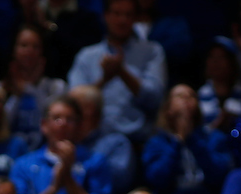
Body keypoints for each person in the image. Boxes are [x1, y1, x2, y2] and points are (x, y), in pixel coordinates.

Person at [142, 84, 232, 194]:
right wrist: (178, 141)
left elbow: (219, 175)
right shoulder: (157, 142)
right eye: (180, 96)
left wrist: (192, 140)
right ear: (168, 108)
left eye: (191, 96)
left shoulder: (212, 138)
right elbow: (158, 179)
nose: (186, 100)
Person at [67, 0, 167, 143]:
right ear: (105, 16)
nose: (122, 20)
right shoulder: (87, 56)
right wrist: (104, 80)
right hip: (93, 141)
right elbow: (75, 102)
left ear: (135, 18)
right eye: (117, 13)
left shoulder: (152, 51)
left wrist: (123, 73)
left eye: (128, 14)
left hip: (138, 140)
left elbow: (155, 99)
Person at [11, 96, 113, 194]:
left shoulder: (95, 161)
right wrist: (54, 188)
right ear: (44, 125)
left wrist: (68, 178)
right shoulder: (24, 164)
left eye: (70, 119)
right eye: (56, 118)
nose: (63, 124)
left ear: (79, 126)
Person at [2, 24, 67, 153]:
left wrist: (31, 88)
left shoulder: (56, 86)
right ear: (13, 50)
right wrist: (16, 95)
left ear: (43, 51)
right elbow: (1, 125)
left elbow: (50, 120)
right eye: (24, 45)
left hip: (45, 150)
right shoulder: (0, 88)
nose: (29, 51)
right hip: (7, 151)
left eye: (35, 46)